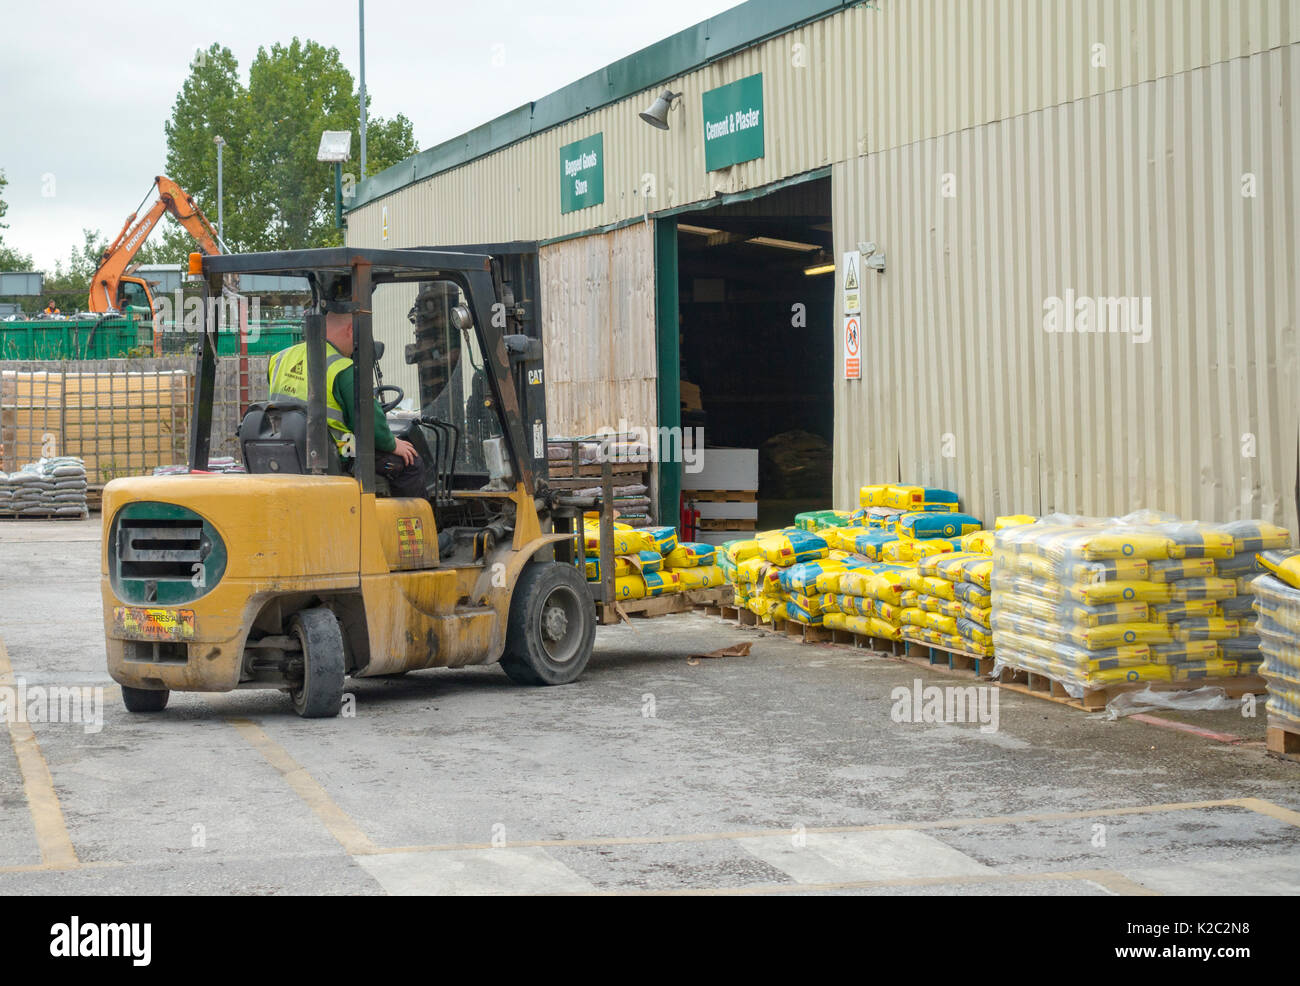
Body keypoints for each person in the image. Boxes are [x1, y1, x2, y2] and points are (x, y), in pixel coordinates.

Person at [267, 311, 427, 497]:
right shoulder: (342, 368)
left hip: (288, 448)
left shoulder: (280, 358)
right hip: (338, 450)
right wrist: (392, 444)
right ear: (351, 329)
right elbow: (370, 425)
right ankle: (412, 524)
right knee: (411, 463)